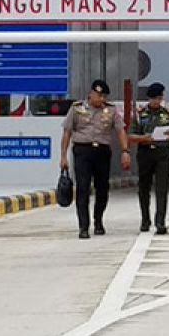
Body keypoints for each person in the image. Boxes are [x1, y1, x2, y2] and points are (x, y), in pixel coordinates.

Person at [60, 79, 130, 239]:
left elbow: (120, 131)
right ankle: (83, 226)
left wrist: (125, 151)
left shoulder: (111, 111)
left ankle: (98, 220)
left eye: (104, 96)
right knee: (83, 188)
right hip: (82, 151)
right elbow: (67, 133)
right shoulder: (77, 109)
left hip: (102, 153)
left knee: (102, 189)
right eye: (99, 95)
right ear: (91, 94)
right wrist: (63, 156)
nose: (102, 99)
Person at [129, 82, 169, 234]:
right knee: (144, 187)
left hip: (162, 153)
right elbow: (130, 135)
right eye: (155, 98)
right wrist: (144, 138)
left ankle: (160, 221)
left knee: (161, 188)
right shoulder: (140, 115)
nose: (158, 101)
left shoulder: (167, 114)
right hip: (145, 152)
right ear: (149, 99)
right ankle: (145, 219)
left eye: (160, 98)